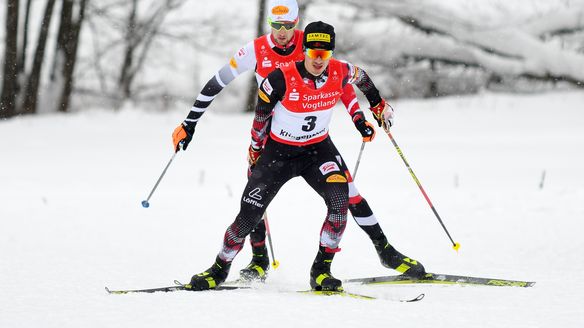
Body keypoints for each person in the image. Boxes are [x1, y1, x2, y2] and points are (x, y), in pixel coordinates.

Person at [172, 0, 425, 283]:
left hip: (316, 146)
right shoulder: (258, 54)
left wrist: (366, 112)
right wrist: (191, 122)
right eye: (276, 26)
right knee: (251, 210)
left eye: (289, 26)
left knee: (345, 196)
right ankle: (248, 262)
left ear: (298, 27)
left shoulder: (318, 46)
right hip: (274, 143)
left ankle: (360, 258)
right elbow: (222, 86)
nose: (283, 32)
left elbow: (347, 81)